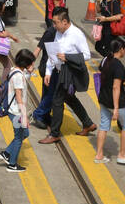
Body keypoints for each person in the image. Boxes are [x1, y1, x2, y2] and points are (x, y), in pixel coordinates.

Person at [32, 8, 94, 143]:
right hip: (60, 70)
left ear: (64, 22)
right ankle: (88, 123)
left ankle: (54, 133)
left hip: (71, 72)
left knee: (57, 100)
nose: (54, 26)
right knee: (69, 98)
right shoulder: (59, 33)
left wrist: (68, 57)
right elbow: (53, 53)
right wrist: (48, 72)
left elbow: (87, 55)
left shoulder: (77, 34)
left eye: (56, 23)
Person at [94, 38, 125, 165]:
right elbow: (116, 87)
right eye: (124, 48)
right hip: (114, 101)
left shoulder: (105, 60)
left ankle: (99, 155)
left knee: (104, 125)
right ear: (121, 49)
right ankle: (122, 155)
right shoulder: (118, 66)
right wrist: (116, 108)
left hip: (103, 98)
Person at [0, 49, 35, 173]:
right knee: (18, 138)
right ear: (26, 63)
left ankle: (6, 153)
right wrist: (24, 116)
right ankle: (12, 164)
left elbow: (21, 80)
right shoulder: (18, 76)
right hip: (17, 113)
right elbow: (18, 97)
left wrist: (28, 72)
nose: (33, 65)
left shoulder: (15, 71)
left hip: (14, 111)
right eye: (31, 63)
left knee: (25, 134)